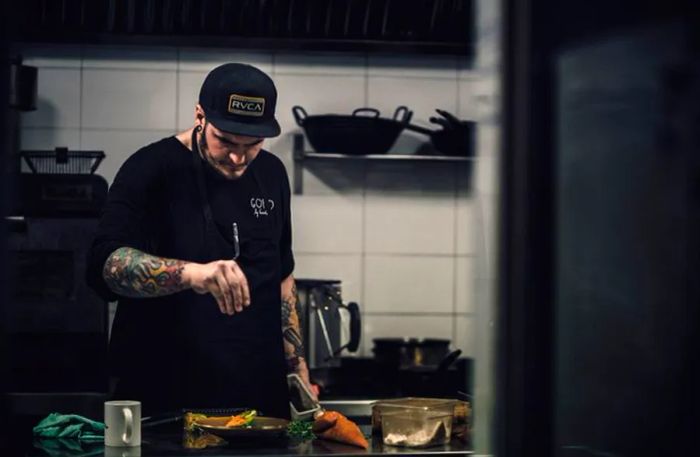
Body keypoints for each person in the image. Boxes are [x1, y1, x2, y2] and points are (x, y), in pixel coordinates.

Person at [86, 63, 316, 418]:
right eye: (225, 141)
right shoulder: (151, 168)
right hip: (166, 398)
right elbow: (106, 266)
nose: (239, 157)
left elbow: (282, 278)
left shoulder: (271, 173)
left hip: (259, 403)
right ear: (199, 116)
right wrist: (193, 274)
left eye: (252, 144)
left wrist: (298, 372)